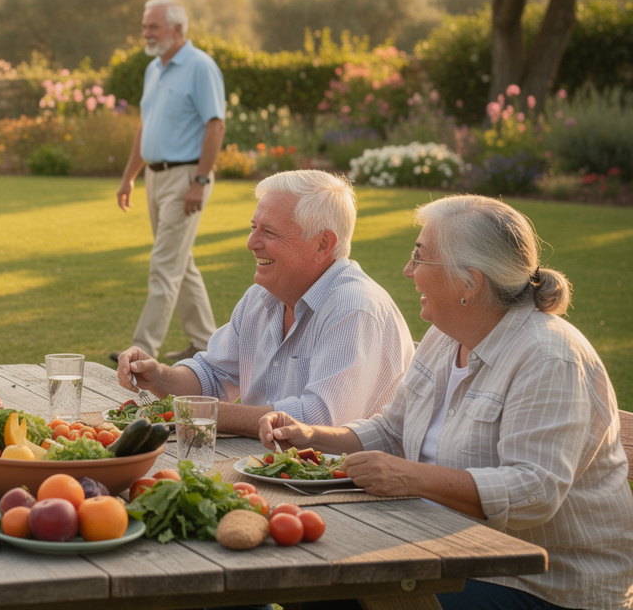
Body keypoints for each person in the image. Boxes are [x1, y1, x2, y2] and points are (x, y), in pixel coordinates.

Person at [259, 195, 633, 610]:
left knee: (341, 594)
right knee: (314, 584)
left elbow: (534, 491)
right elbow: (392, 430)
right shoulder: (445, 335)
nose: (408, 270)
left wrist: (410, 477)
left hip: (541, 584)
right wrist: (311, 435)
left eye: (420, 257)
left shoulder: (549, 358)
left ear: (469, 283)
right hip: (449, 549)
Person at [116, 170, 414, 436]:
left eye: (269, 232)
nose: (251, 243)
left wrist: (202, 413)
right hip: (273, 465)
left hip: (343, 478)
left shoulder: (354, 308)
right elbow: (213, 376)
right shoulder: (262, 297)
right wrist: (159, 376)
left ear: (323, 244)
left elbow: (319, 420)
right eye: (253, 227)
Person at [113, 0, 225, 364]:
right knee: (180, 262)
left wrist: (200, 180)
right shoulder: (153, 69)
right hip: (155, 178)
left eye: (153, 26)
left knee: (164, 264)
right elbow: (145, 127)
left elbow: (216, 125)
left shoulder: (200, 67)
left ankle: (142, 349)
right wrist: (129, 177)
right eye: (144, 26)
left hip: (186, 176)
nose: (145, 33)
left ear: (177, 29)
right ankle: (205, 342)